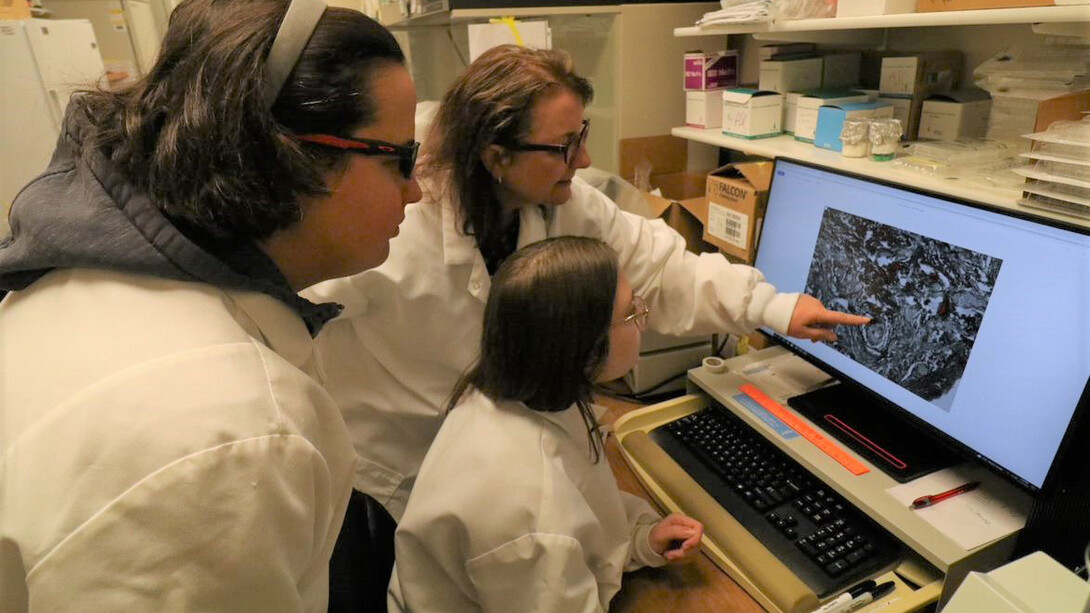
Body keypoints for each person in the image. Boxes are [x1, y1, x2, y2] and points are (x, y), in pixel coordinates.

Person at [302, 44, 869, 582]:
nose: (587, 159)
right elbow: (294, 317)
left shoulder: (561, 204)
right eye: (564, 146)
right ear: (497, 156)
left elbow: (660, 266)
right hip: (399, 467)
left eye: (584, 136)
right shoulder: (394, 233)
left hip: (511, 456)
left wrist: (773, 307)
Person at [0, 0, 420, 610]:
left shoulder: (87, 281)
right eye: (399, 158)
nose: (417, 188)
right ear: (289, 155)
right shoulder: (227, 435)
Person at [389, 236, 705, 612]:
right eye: (632, 313)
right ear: (582, 348)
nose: (643, 315)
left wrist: (641, 539)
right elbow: (552, 537)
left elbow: (582, 506)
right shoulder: (530, 511)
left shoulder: (508, 395)